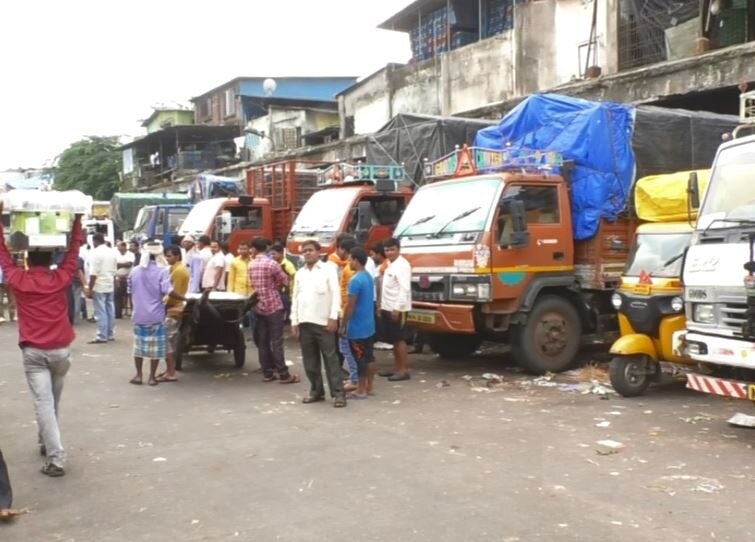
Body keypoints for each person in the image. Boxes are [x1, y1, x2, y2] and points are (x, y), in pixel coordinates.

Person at [0, 205, 84, 477]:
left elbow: (2, 255)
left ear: (27, 259)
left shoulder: (18, 279)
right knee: (51, 402)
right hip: (61, 352)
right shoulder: (60, 277)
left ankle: (56, 458)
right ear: (51, 259)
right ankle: (45, 442)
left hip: (34, 354)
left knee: (44, 403)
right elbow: (74, 252)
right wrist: (77, 220)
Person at [291, 240, 344, 407]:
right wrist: (294, 321)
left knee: (331, 359)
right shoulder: (300, 273)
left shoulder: (328, 270)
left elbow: (336, 295)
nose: (307, 253)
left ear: (318, 252)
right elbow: (295, 298)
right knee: (310, 361)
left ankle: (338, 394)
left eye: (310, 250)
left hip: (324, 322)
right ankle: (316, 391)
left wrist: (333, 317)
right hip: (305, 322)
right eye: (304, 251)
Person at [128, 241, 184, 386]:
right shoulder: (163, 270)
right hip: (156, 315)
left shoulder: (135, 271)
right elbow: (168, 290)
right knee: (156, 349)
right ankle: (152, 377)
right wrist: (185, 298)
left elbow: (130, 290)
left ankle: (139, 375)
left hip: (139, 314)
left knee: (139, 347)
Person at [249, 237, 299, 384]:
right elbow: (286, 281)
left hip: (259, 306)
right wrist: (275, 285)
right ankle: (284, 374)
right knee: (276, 341)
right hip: (273, 305)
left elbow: (252, 283)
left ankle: (267, 373)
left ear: (255, 249)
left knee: (263, 342)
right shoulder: (272, 264)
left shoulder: (251, 264)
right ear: (266, 248)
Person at [340, 246, 376, 399]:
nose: (348, 262)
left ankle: (360, 389)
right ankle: (369, 386)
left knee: (359, 358)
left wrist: (343, 324)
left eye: (350, 259)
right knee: (369, 357)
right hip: (369, 325)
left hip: (357, 327)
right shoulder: (367, 276)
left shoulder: (355, 280)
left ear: (356, 260)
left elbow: (350, 305)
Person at [378, 237, 413, 381]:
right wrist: (381, 305)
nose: (389, 252)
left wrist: (397, 308)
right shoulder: (388, 264)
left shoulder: (403, 265)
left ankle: (403, 370)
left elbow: (404, 289)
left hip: (398, 308)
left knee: (400, 339)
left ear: (398, 249)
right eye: (387, 250)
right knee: (394, 339)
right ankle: (396, 368)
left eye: (392, 249)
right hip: (387, 306)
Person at [159, 245, 190, 383]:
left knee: (167, 342)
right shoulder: (175, 268)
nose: (167, 258)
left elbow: (173, 293)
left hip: (174, 308)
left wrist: (164, 305)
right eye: (166, 255)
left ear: (177, 256)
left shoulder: (179, 271)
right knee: (168, 341)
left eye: (169, 255)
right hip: (173, 306)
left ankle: (171, 373)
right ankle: (168, 370)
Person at [334, 237, 359, 391]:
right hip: (348, 310)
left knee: (346, 348)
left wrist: (343, 322)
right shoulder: (355, 271)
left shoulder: (351, 272)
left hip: (347, 312)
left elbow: (350, 298)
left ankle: (355, 379)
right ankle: (355, 378)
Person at [87, 233, 117, 343]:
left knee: (101, 311)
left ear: (95, 241)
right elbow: (114, 270)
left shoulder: (95, 253)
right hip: (109, 284)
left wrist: (90, 289)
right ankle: (110, 334)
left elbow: (93, 273)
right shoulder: (112, 252)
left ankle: (102, 335)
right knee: (110, 309)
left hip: (99, 285)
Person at [270, 242, 295, 322]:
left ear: (280, 253)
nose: (272, 256)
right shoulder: (274, 264)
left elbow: (294, 277)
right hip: (278, 292)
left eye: (274, 254)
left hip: (286, 294)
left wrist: (292, 292)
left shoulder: (287, 264)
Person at [114, 241, 135, 319]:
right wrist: (121, 265)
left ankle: (133, 313)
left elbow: (129, 264)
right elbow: (114, 264)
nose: (117, 248)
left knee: (130, 296)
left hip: (129, 278)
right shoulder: (116, 255)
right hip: (118, 278)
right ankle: (118, 314)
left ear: (124, 246)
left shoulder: (130, 254)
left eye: (118, 246)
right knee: (118, 296)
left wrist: (118, 264)